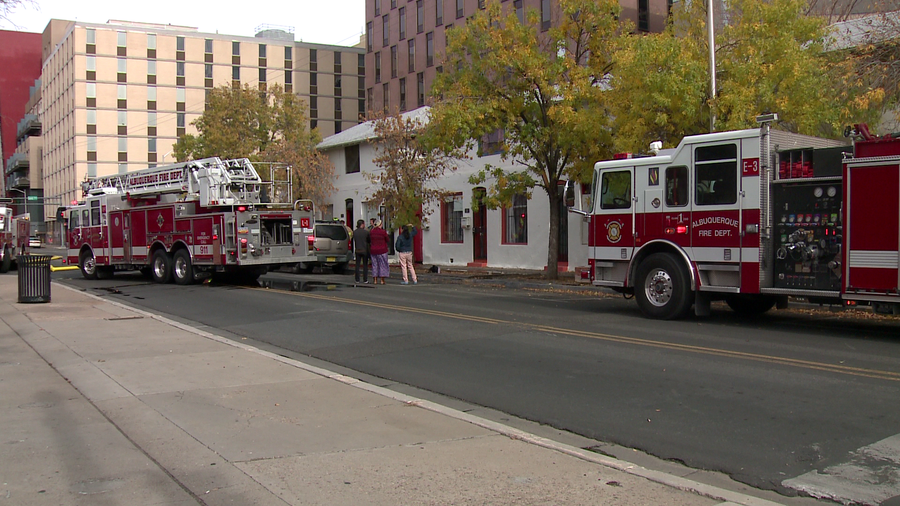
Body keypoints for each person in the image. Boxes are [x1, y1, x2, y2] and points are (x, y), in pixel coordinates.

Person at [368, 220, 390, 285]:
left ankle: (375, 279)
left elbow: (369, 240)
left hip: (373, 250)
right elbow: (387, 239)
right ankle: (382, 280)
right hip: (382, 250)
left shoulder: (371, 232)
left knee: (374, 264)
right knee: (382, 264)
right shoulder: (383, 232)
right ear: (380, 225)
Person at [351, 219, 370, 285]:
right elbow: (369, 240)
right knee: (365, 265)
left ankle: (357, 279)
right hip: (364, 250)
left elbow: (353, 240)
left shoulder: (355, 232)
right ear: (362, 224)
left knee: (357, 265)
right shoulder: (366, 232)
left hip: (357, 250)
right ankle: (365, 279)